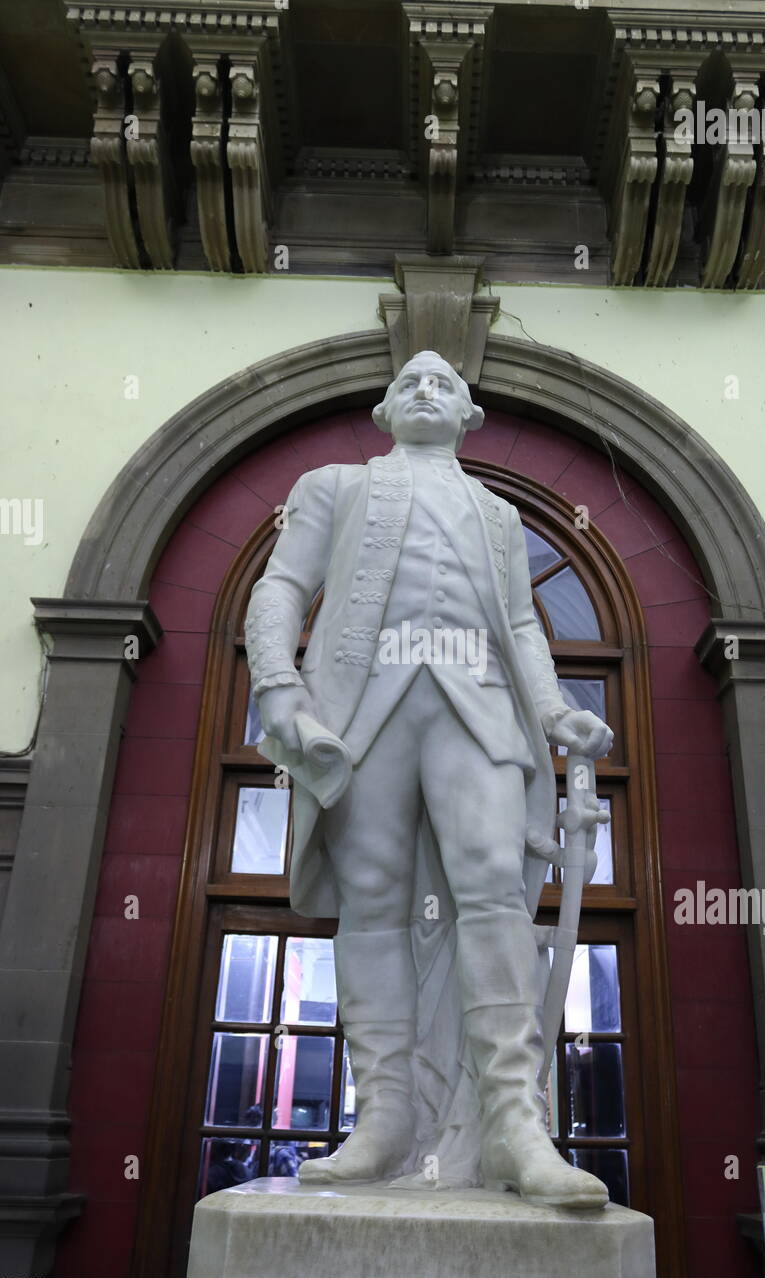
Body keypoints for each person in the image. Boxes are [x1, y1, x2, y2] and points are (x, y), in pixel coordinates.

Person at [244, 351, 614, 1207]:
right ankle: (385, 1118)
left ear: (466, 415)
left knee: (491, 884)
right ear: (384, 409)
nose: (424, 390)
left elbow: (521, 623)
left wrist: (554, 710)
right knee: (372, 897)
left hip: (475, 701)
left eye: (442, 384)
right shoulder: (333, 486)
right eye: (409, 382)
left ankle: (514, 1121)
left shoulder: (497, 514)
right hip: (362, 707)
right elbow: (281, 588)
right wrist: (278, 688)